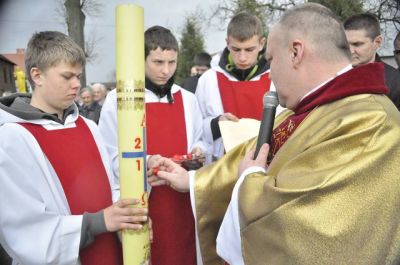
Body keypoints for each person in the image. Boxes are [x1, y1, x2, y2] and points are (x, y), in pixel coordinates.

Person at [148, 3, 400, 264]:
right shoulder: (311, 109)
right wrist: (192, 180)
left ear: (295, 52)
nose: (270, 74)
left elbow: (305, 226)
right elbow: (254, 153)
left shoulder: (369, 122)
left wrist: (250, 179)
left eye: (270, 59)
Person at [0, 31, 149, 265]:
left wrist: (129, 216)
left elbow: (110, 186)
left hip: (110, 253)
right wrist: (99, 222)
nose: (77, 85)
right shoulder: (11, 138)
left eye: (78, 76)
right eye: (67, 76)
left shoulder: (89, 126)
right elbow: (26, 231)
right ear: (37, 75)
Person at [99, 26, 206, 265]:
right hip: (143, 205)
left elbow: (199, 140)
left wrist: (199, 153)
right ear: (141, 59)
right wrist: (145, 162)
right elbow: (108, 156)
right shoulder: (118, 99)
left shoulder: (187, 99)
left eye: (171, 62)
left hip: (182, 204)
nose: (165, 71)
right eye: (158, 62)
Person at [195, 11, 273, 160]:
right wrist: (217, 123)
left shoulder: (275, 78)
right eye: (236, 49)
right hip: (222, 165)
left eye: (249, 49)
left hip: (266, 164)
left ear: (262, 44)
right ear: (227, 43)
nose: (242, 57)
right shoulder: (209, 79)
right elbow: (196, 128)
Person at [344, 13, 400, 110]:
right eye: (345, 44)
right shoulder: (332, 75)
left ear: (377, 42)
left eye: (357, 44)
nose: (350, 50)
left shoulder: (395, 82)